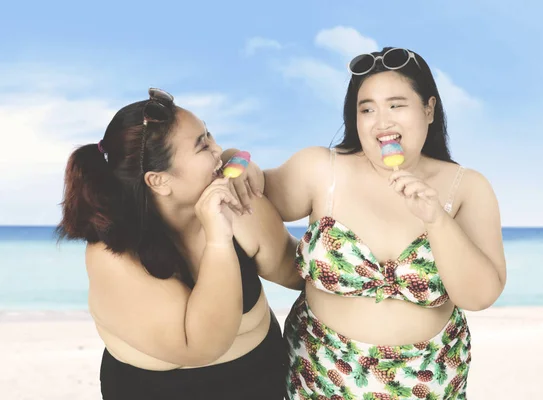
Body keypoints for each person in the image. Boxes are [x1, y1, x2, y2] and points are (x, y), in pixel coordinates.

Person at [242, 47, 507, 399]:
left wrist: (436, 220)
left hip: (428, 383)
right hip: (319, 376)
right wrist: (236, 159)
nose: (381, 122)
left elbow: (479, 296)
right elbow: (252, 188)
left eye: (396, 105)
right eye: (367, 108)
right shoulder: (323, 170)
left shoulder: (467, 187)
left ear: (429, 109)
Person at [56, 88, 301, 399]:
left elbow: (296, 272)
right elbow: (202, 346)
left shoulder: (234, 204)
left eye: (211, 136)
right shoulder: (113, 256)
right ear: (159, 181)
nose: (219, 149)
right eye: (203, 146)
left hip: (262, 382)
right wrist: (217, 239)